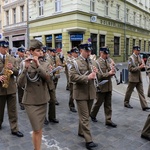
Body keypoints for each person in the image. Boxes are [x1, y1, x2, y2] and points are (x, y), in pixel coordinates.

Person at [17, 39, 51, 150]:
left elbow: (47, 78)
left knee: (39, 129)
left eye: (41, 50)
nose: (40, 52)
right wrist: (26, 68)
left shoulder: (45, 63)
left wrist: (37, 65)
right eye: (37, 50)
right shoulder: (24, 63)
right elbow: (20, 83)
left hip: (42, 99)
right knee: (36, 129)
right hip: (31, 101)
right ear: (31, 51)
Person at [70, 43, 98, 150]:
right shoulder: (75, 62)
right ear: (81, 50)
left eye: (90, 51)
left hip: (90, 92)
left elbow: (95, 75)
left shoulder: (91, 61)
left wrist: (95, 73)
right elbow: (72, 77)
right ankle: (88, 141)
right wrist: (87, 77)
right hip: (80, 94)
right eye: (87, 51)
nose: (89, 53)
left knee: (83, 116)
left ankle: (81, 132)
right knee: (85, 117)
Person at [0, 38, 24, 137]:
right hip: (0, 89)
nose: (5, 49)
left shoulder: (12, 58)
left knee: (13, 110)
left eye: (6, 47)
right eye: (3, 47)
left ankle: (14, 128)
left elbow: (18, 72)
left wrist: (12, 68)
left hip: (11, 88)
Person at [90, 47, 117, 128]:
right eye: (105, 54)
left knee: (108, 104)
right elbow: (98, 76)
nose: (106, 55)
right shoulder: (96, 63)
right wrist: (109, 73)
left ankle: (108, 120)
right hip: (101, 86)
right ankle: (92, 114)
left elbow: (110, 71)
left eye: (107, 54)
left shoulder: (108, 61)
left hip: (108, 85)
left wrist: (113, 69)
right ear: (101, 53)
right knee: (98, 103)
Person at [124, 46, 150, 111]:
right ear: (134, 50)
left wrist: (144, 66)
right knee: (129, 91)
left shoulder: (139, 57)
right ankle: (126, 102)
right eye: (137, 50)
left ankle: (144, 106)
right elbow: (130, 69)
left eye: (139, 50)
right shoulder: (131, 58)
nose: (138, 52)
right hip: (133, 78)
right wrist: (139, 67)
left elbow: (141, 65)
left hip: (139, 78)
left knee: (141, 92)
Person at [68, 47, 79, 113]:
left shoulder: (77, 59)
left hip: (77, 79)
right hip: (72, 80)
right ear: (72, 53)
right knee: (72, 94)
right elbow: (70, 69)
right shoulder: (69, 60)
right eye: (75, 53)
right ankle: (71, 106)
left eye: (77, 53)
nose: (77, 54)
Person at [16, 46, 26, 110]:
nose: (22, 53)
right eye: (21, 52)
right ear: (18, 52)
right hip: (19, 77)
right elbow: (16, 68)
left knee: (26, 90)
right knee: (20, 91)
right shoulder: (16, 59)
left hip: (25, 76)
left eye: (23, 52)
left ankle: (25, 102)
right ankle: (21, 103)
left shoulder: (26, 58)